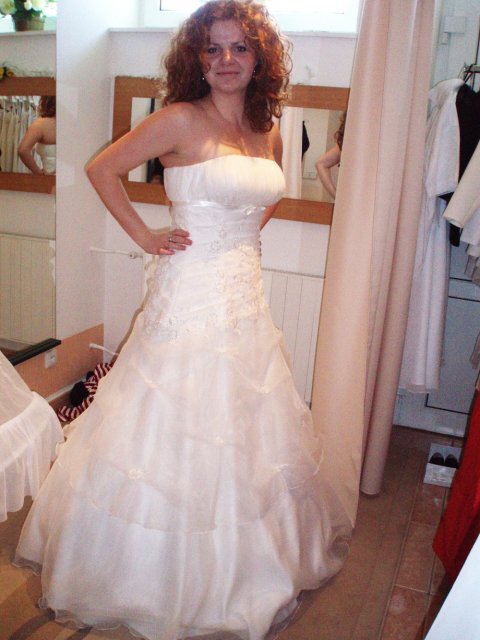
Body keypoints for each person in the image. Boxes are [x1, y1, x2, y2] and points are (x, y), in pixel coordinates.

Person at [14, 2, 352, 639]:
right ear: (196, 58)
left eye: (240, 48)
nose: (226, 60)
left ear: (259, 58)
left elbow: (265, 195)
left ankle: (249, 566)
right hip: (189, 291)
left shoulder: (267, 127)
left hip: (243, 291)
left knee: (245, 421)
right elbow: (101, 169)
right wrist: (147, 236)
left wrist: (239, 239)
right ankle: (149, 576)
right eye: (212, 48)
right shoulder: (178, 118)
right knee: (172, 417)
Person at [18, 95, 56, 175]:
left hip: (49, 178)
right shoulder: (72, 124)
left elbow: (23, 150)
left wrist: (38, 173)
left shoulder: (40, 124)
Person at [315, 110, 346, 200]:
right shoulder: (347, 143)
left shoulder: (346, 143)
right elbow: (321, 164)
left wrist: (337, 197)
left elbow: (321, 163)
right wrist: (337, 196)